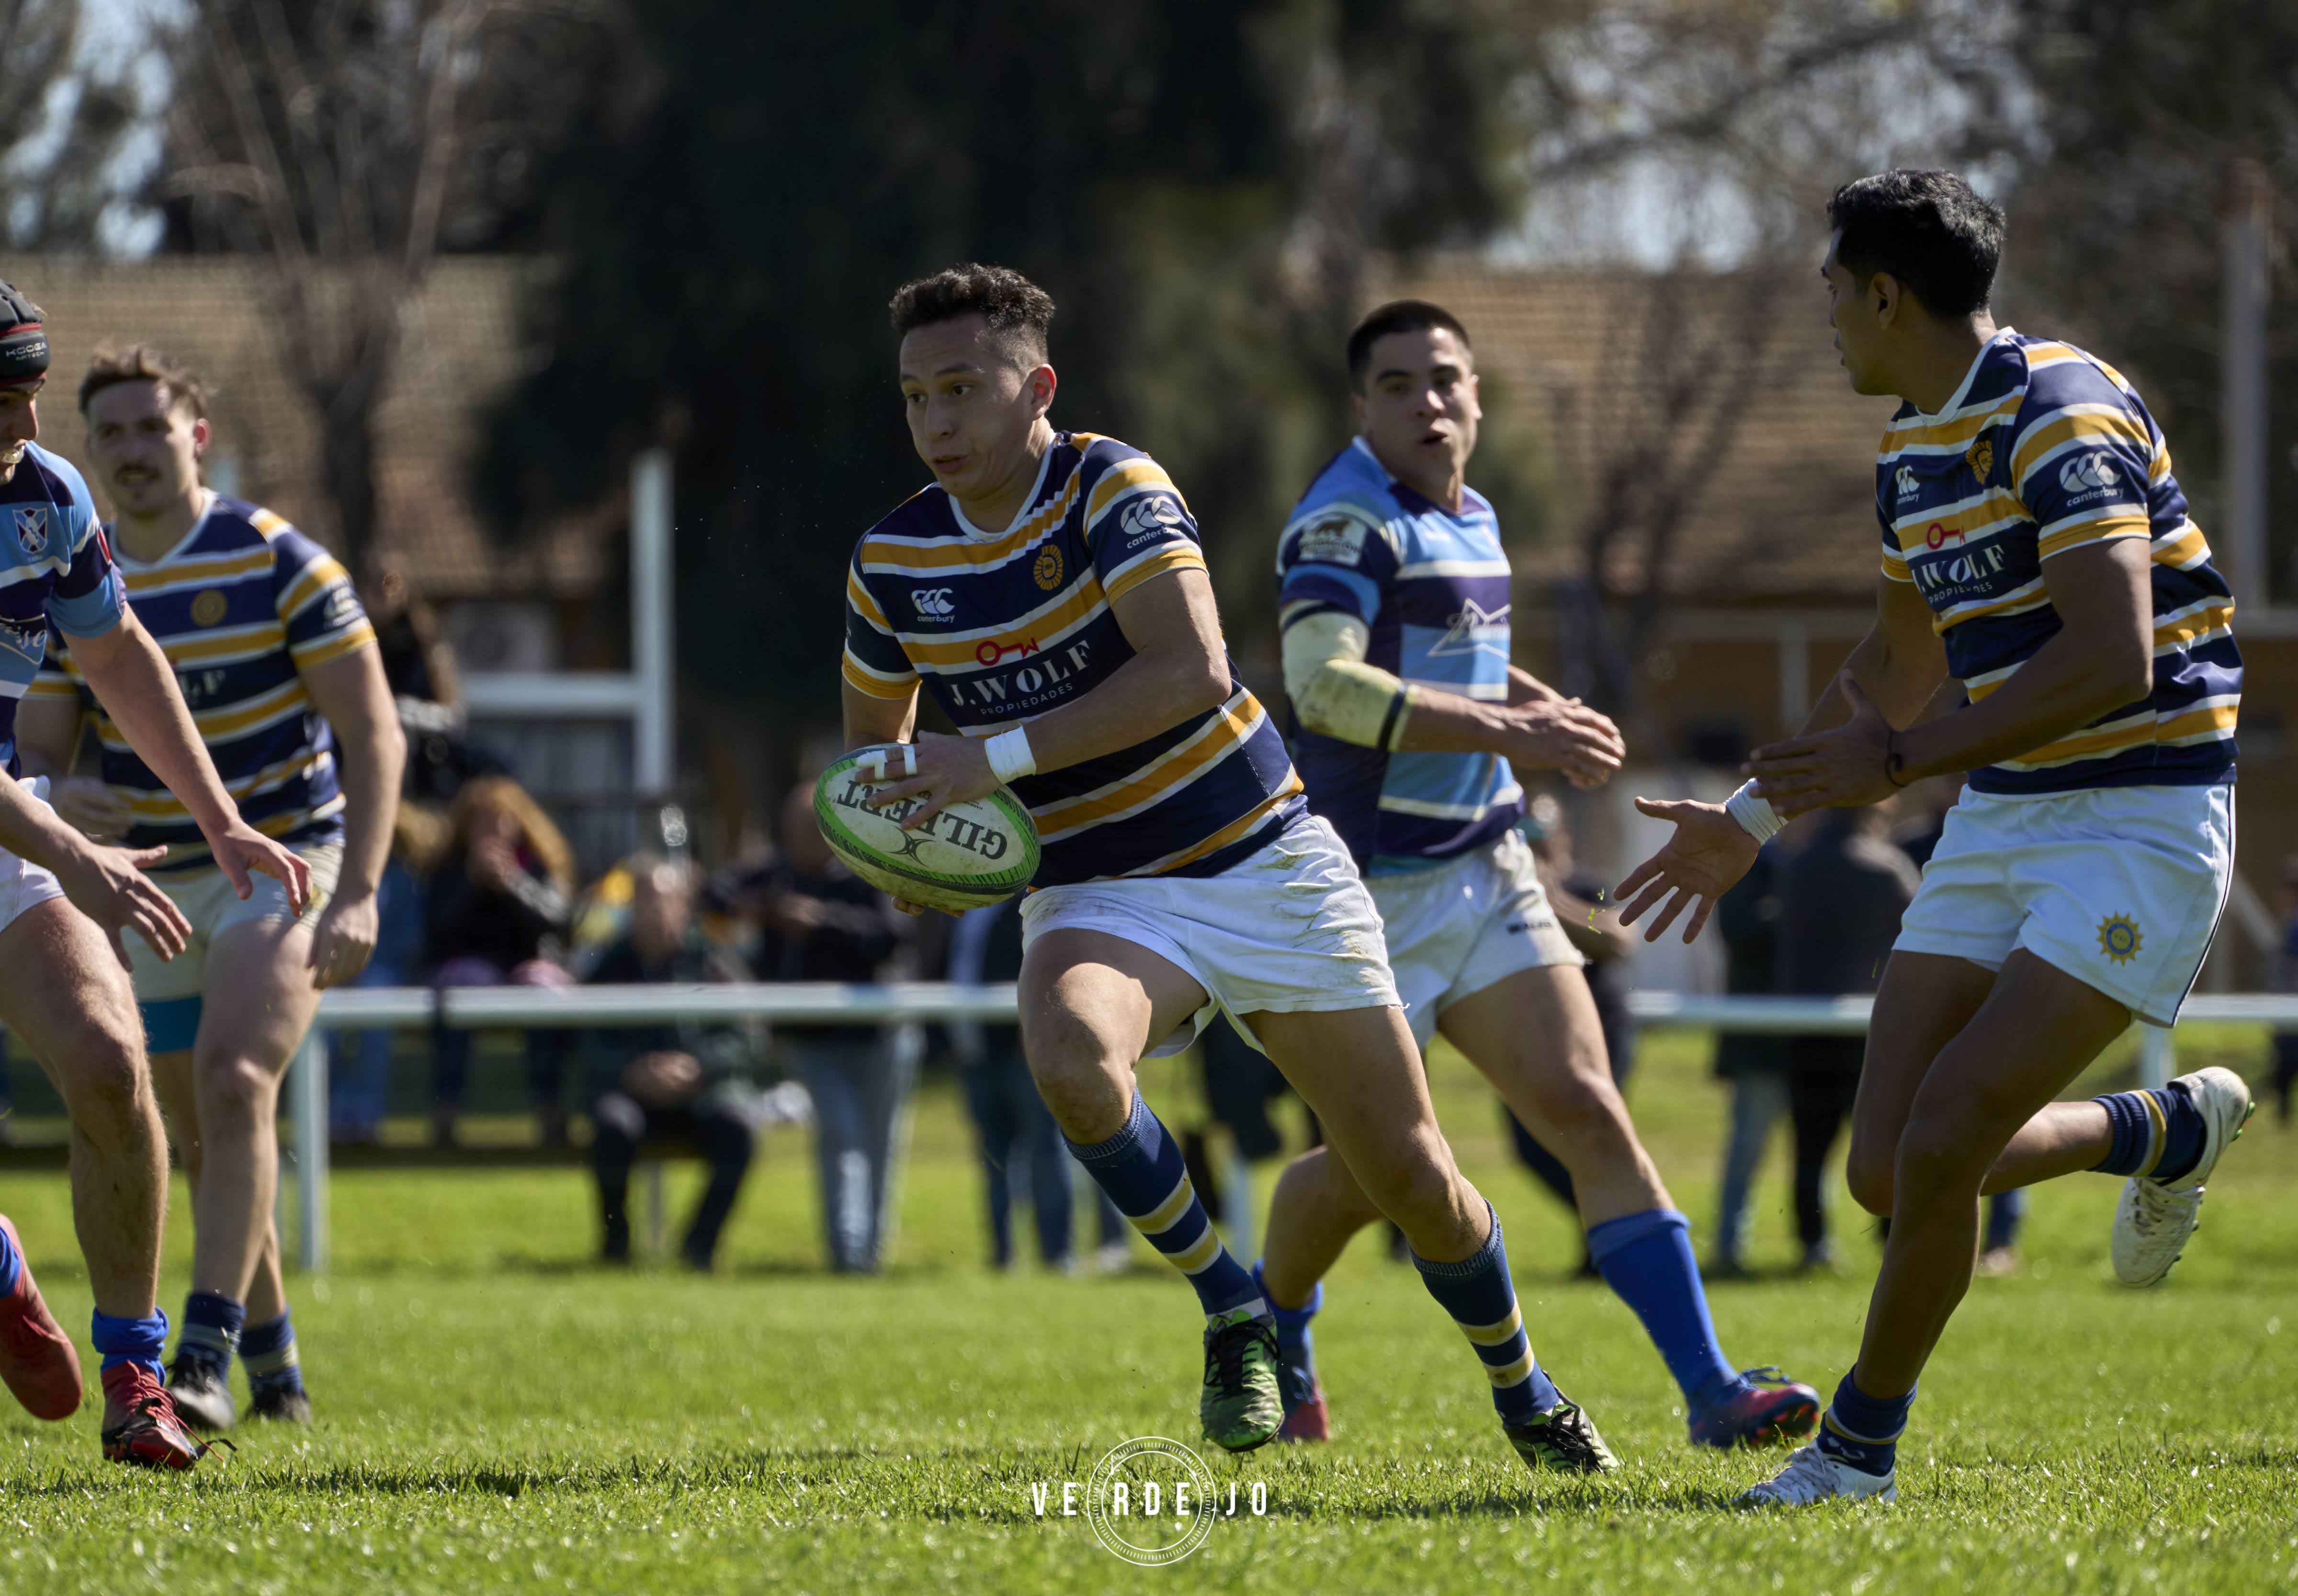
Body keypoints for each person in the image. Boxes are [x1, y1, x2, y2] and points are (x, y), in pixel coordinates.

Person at [841, 264, 1606, 1471]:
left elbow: (1191, 670)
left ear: (1036, 389)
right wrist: (899, 846)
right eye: (914, 396)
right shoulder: (892, 559)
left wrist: (986, 756)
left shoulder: (1112, 485)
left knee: (1410, 1174)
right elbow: (873, 766)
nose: (935, 420)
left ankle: (1525, 1386)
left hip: (1260, 857)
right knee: (1069, 1056)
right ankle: (1231, 1303)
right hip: (1096, 888)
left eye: (962, 389)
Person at [1617, 170, 2253, 1507]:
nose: (1825, 321)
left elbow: (2114, 655)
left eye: (1830, 293)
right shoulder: (1908, 449)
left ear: (1883, 295)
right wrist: (1752, 818)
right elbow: (1896, 668)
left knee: (1946, 1133)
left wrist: (1900, 762)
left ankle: (1854, 1450)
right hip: (2001, 807)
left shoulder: (2058, 409)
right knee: (1883, 1168)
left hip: (2137, 814)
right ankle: (2153, 1127)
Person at [1256, 299, 1817, 1451]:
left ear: (1474, 395)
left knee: (1585, 1109)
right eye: (1398, 384)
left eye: (1445, 378)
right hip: (1363, 896)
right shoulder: (1342, 522)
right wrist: (1514, 732)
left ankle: (1713, 1393)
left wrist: (1540, 710)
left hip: (1487, 865)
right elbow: (1323, 687)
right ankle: (1277, 1326)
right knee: (1367, 1177)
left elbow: (1458, 664)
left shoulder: (1474, 515)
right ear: (1361, 406)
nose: (1428, 401)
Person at [18, 347, 405, 1432]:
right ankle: (278, 1367)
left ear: (199, 436)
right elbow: (38, 745)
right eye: (112, 433)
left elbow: (374, 733)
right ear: (91, 450)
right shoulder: (64, 557)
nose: (132, 450)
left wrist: (361, 890)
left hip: (279, 856)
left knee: (237, 1083)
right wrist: (66, 792)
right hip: (147, 877)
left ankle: (201, 1356)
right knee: (198, 1131)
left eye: (153, 427)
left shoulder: (281, 561)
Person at [0, 279, 311, 1467]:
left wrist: (221, 822)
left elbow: (118, 652)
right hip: (29, 829)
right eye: (1, 403)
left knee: (110, 1057)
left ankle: (139, 1379)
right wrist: (75, 852)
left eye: (32, 396)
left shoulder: (48, 497)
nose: (26, 426)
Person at [762, 780, 916, 1274]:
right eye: (790, 831)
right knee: (839, 1135)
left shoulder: (874, 864)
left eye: (807, 830)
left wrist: (821, 921)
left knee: (880, 1144)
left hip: (881, 1035)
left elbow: (893, 933)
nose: (798, 841)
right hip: (814, 1039)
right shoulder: (778, 876)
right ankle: (847, 1255)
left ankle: (871, 1253)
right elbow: (720, 894)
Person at [583, 858, 760, 1270]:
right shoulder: (609, 965)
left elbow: (749, 1036)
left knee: (739, 1128)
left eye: (662, 900)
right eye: (642, 900)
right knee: (612, 1124)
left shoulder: (715, 961)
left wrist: (700, 1068)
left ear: (684, 905)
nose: (653, 910)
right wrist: (630, 1070)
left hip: (702, 1094)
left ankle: (699, 1246)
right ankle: (615, 1245)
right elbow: (587, 1037)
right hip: (633, 1096)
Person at [1776, 805, 1920, 1273]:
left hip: (1804, 1024)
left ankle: (1812, 1242)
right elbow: (1924, 931)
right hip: (1868, 1027)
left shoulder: (1795, 866)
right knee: (1885, 1137)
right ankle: (1891, 1236)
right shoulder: (1887, 867)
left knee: (1809, 1145)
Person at [1501, 795, 1639, 1278]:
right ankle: (1606, 1228)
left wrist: (1552, 902)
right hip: (1526, 1036)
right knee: (1530, 1147)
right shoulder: (1500, 897)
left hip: (1597, 1035)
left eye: (1542, 844)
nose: (1535, 855)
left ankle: (1608, 1243)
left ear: (1562, 839)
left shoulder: (1588, 887)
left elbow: (1618, 938)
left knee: (1592, 1140)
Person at [423, 774, 577, 1147]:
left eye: (501, 820)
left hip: (530, 967)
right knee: (461, 988)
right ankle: (446, 1113)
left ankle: (549, 1111)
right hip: (470, 970)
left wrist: (513, 882)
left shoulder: (540, 865)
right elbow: (435, 929)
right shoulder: (448, 869)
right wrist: (472, 884)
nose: (492, 830)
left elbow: (558, 921)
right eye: (481, 821)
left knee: (542, 991)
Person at [948, 894, 1074, 1270]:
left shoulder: (1031, 902)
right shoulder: (957, 906)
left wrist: (1037, 1035)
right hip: (974, 1053)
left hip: (1024, 1055)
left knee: (1046, 1155)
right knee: (993, 1158)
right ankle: (1002, 1255)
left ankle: (1056, 1255)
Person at [1708, 851, 1790, 1276]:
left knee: (1820, 1151)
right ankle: (1728, 1247)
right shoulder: (1744, 863)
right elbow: (1739, 929)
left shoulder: (1812, 861)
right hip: (1760, 1042)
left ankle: (1817, 1247)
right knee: (1747, 1148)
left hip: (1823, 1040)